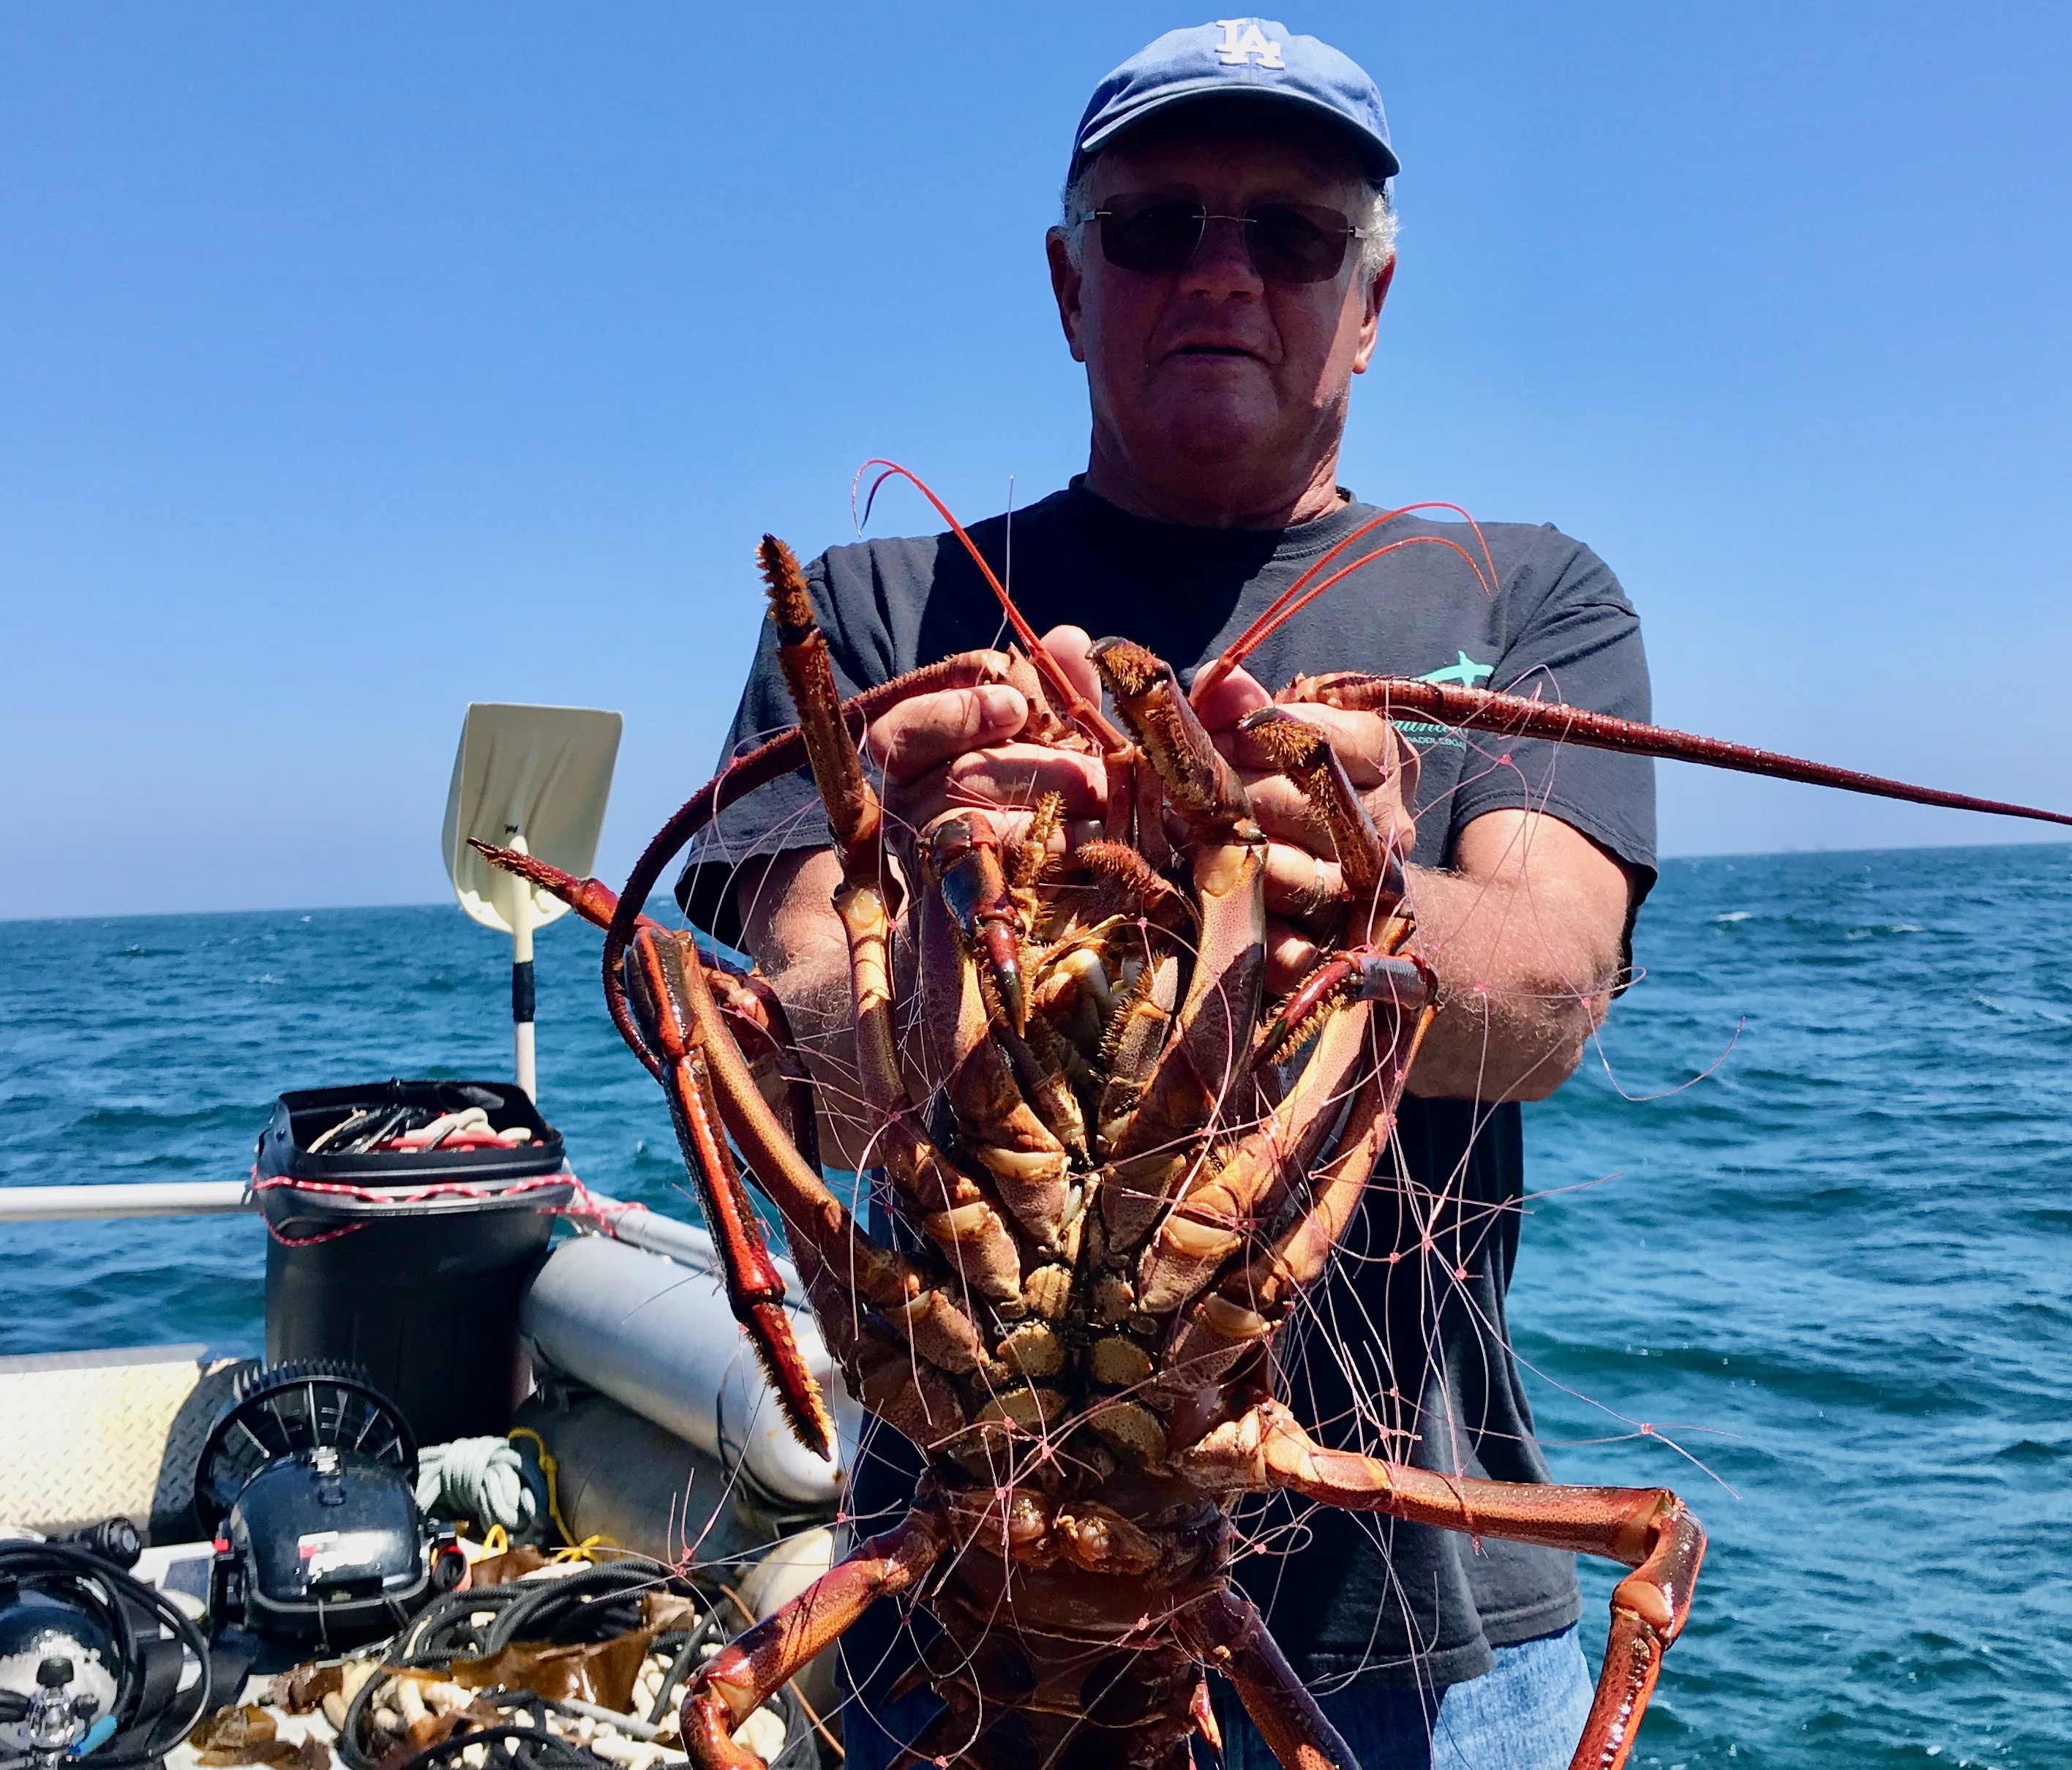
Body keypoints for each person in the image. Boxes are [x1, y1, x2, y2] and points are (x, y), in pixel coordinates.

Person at [677, 19, 1655, 1770]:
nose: (1224, 272)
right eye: (1156, 228)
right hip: (943, 1602)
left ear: (1370, 301)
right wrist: (920, 901)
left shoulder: (1532, 598)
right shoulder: (878, 609)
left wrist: (1354, 904)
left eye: (1290, 235)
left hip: (1411, 1649)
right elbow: (799, 1022)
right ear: (1069, 283)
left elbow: (1553, 981)